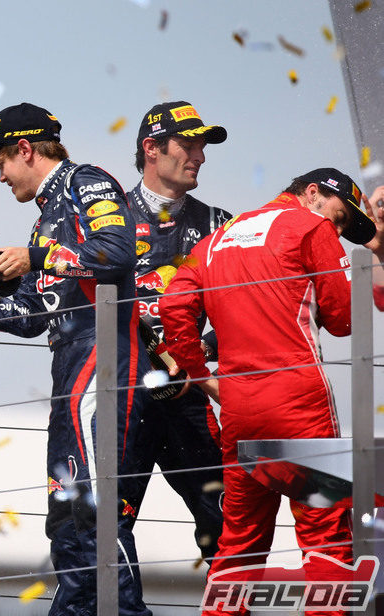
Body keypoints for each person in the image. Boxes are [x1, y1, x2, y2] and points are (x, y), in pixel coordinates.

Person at [0, 102, 155, 616]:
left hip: (105, 355)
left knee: (90, 506)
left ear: (24, 149)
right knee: (66, 516)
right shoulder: (43, 224)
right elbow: (32, 315)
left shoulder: (88, 182)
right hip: (70, 365)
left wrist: (36, 257)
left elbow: (118, 252)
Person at [160, 168, 377, 616]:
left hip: (238, 408)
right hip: (300, 401)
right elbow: (343, 320)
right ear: (312, 193)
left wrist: (202, 377)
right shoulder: (310, 226)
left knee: (239, 542)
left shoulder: (221, 234)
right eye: (340, 219)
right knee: (326, 536)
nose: (338, 232)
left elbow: (173, 304)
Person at [127, 101, 228, 563]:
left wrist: (193, 354)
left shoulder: (219, 225)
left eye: (203, 146)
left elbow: (240, 314)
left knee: (221, 518)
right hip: (120, 395)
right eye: (188, 145)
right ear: (152, 148)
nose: (200, 156)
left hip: (188, 391)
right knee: (105, 521)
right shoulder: (106, 220)